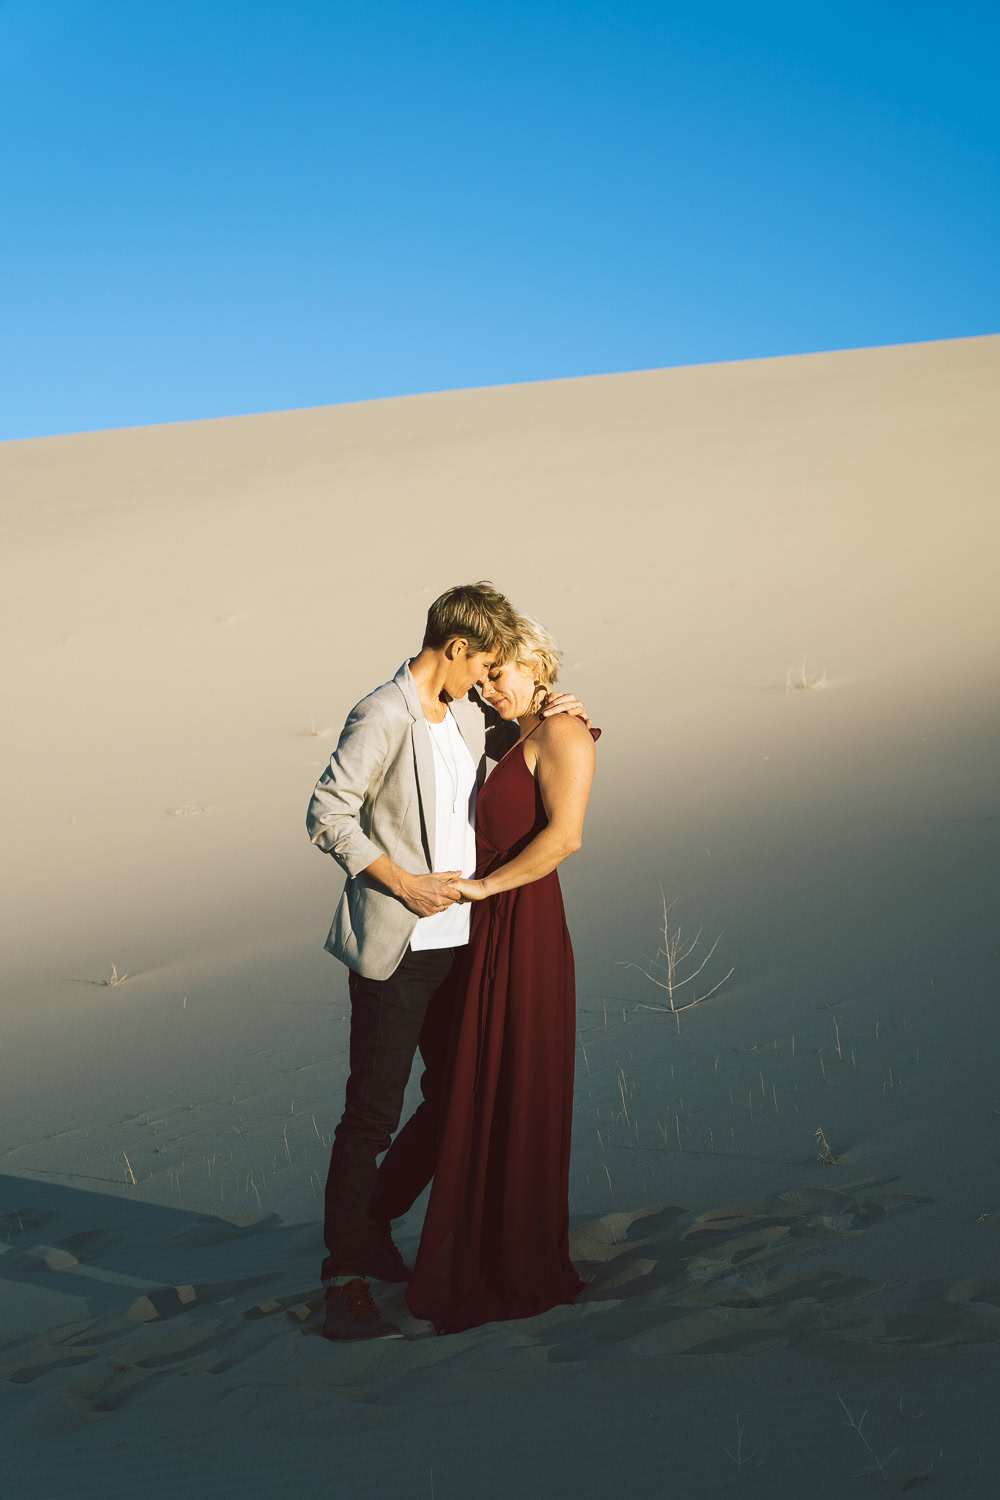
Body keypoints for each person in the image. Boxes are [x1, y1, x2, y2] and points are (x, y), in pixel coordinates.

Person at [305, 583, 591, 1341]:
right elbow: (326, 812)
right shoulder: (383, 713)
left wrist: (554, 712)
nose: (487, 684)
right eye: (484, 667)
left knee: (453, 1099)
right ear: (455, 648)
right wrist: (399, 880)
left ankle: (372, 1224)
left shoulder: (467, 717)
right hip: (398, 945)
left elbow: (516, 776)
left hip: (466, 945)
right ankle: (346, 1276)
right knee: (371, 1111)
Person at [406, 613, 598, 1334]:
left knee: (517, 1081)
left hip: (524, 923)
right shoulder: (513, 731)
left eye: (499, 675)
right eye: (482, 677)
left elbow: (565, 837)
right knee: (480, 1082)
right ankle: (478, 1249)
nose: (488, 690)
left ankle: (516, 1261)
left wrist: (486, 889)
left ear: (534, 663)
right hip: (486, 928)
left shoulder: (565, 732)